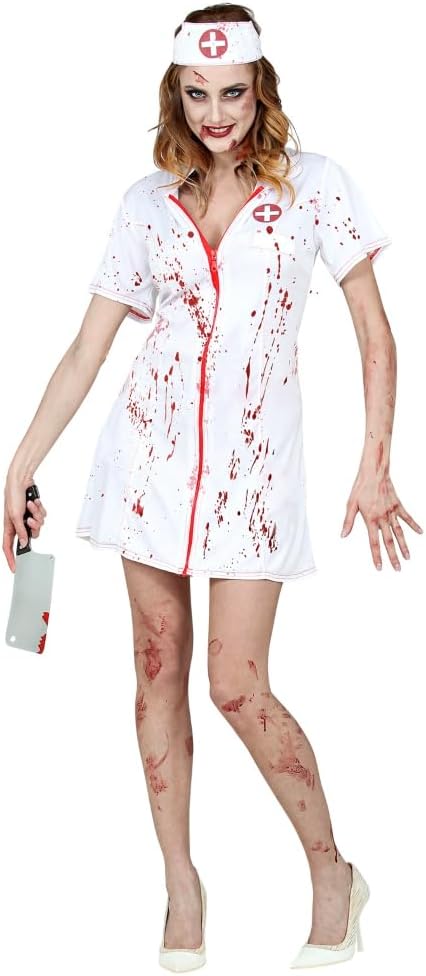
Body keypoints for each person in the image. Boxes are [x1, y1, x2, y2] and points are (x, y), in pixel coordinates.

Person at [3, 2, 423, 971]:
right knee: (156, 673)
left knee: (235, 683)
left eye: (233, 92)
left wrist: (375, 460)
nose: (217, 113)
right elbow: (87, 349)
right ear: (177, 92)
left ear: (261, 88)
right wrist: (18, 465)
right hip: (144, 468)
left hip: (254, 480)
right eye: (198, 94)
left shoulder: (316, 186)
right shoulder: (145, 203)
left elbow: (374, 330)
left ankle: (332, 870)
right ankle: (181, 883)